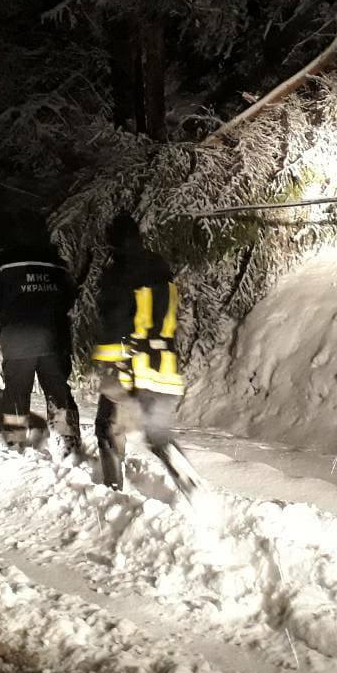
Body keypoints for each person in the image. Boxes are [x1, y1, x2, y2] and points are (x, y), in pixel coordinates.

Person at [91, 213, 200, 497]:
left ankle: (113, 493)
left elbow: (115, 322)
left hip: (131, 368)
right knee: (158, 434)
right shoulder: (161, 269)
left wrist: (107, 365)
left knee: (107, 426)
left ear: (111, 243)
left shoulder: (119, 274)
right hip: (164, 366)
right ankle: (189, 482)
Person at [0, 226, 81, 456]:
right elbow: (69, 296)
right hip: (53, 338)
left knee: (16, 391)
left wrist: (11, 313)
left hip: (18, 337)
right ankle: (67, 444)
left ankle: (15, 443)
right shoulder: (56, 262)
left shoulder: (4, 261)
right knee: (58, 390)